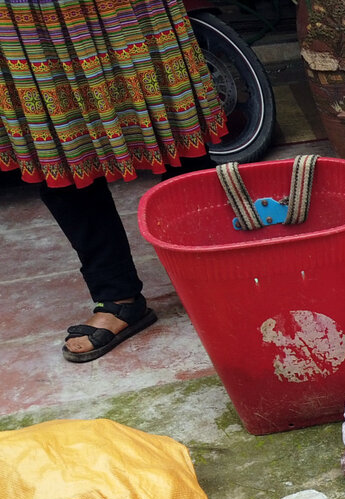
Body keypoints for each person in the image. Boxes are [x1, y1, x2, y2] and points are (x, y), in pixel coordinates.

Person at [0, 0, 227, 362]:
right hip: (22, 14)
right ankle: (117, 296)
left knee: (172, 120)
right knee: (59, 142)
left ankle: (221, 268)